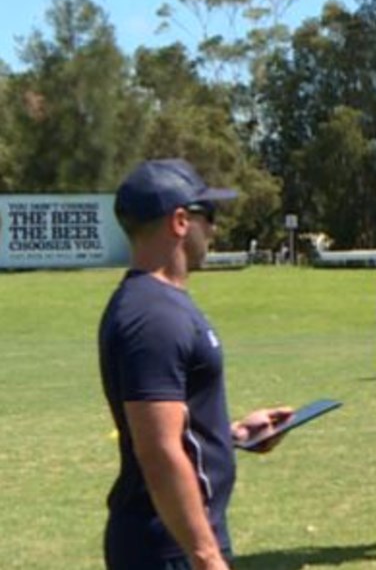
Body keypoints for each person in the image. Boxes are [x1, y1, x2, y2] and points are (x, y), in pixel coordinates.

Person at [100, 159, 295, 568]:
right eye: (209, 215)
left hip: (179, 543)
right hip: (169, 549)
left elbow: (173, 426)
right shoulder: (152, 315)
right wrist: (206, 556)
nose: (214, 230)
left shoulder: (160, 304)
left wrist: (232, 434)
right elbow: (157, 450)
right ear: (179, 221)